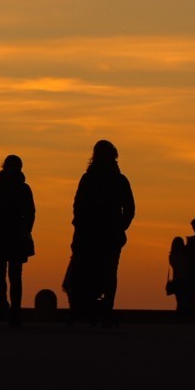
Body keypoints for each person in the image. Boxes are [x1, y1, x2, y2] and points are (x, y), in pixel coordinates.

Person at [67, 139, 134, 327]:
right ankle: (99, 310)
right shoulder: (114, 180)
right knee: (105, 272)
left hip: (97, 234)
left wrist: (119, 226)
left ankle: (85, 311)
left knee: (89, 271)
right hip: (97, 234)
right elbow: (129, 209)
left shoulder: (93, 179)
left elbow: (78, 206)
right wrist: (120, 226)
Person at [0, 154, 36, 326]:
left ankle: (13, 310)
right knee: (2, 274)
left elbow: (31, 213)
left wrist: (25, 229)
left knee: (11, 274)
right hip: (0, 235)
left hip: (13, 236)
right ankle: (4, 306)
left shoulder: (23, 189)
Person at [168, 236, 195, 316]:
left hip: (176, 280)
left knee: (180, 301)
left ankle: (179, 315)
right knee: (185, 300)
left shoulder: (172, 256)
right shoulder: (183, 255)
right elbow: (186, 264)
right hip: (184, 281)